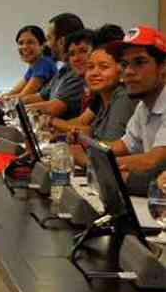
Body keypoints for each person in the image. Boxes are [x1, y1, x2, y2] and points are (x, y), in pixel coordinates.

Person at [102, 26, 166, 179]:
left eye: (139, 62)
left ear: (163, 68)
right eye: (124, 64)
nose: (128, 71)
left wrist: (99, 163)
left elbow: (153, 160)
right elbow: (123, 145)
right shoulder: (144, 105)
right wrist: (88, 146)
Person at [51, 44, 136, 141]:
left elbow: (107, 147)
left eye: (104, 67)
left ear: (121, 72)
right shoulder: (104, 97)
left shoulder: (123, 99)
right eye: (90, 67)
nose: (94, 73)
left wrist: (51, 121)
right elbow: (92, 131)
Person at [22, 29, 90, 118]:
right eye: (72, 54)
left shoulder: (45, 63)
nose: (47, 44)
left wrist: (16, 109)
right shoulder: (64, 69)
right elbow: (40, 96)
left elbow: (53, 108)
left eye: (49, 38)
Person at [5, 25, 57, 97]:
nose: (24, 47)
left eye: (30, 42)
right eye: (21, 43)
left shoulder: (44, 63)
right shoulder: (35, 65)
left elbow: (23, 96)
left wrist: (0, 100)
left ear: (42, 45)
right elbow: (14, 91)